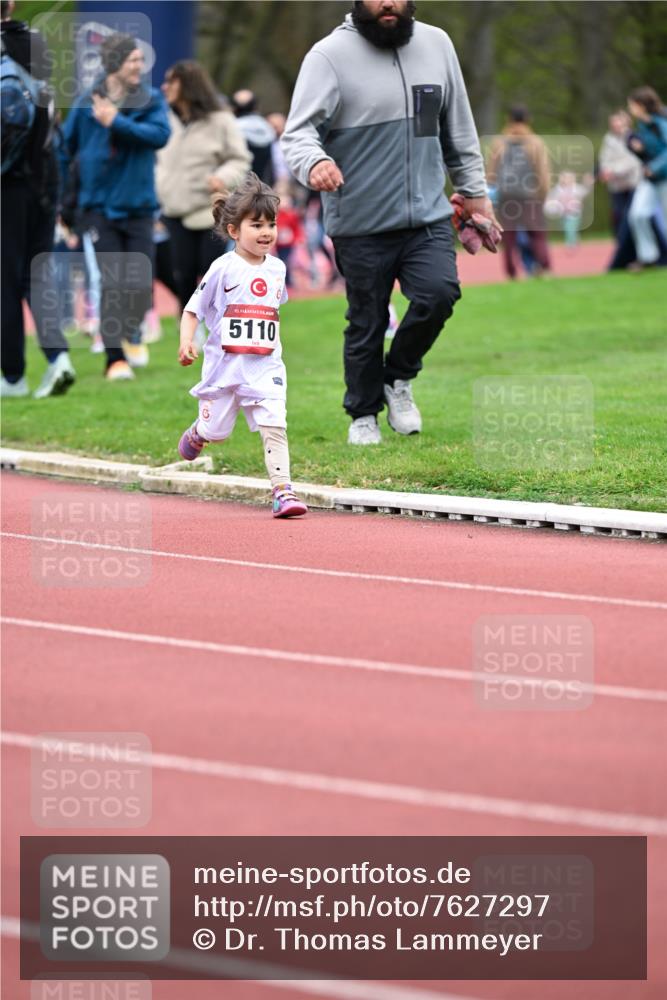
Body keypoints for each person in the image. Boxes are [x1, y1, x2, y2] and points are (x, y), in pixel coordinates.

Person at [281, 0, 497, 445]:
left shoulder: (437, 44)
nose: (388, 3)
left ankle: (396, 378)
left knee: (439, 295)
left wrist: (477, 199)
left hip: (428, 216)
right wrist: (315, 162)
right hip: (360, 222)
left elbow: (459, 131)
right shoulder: (327, 56)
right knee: (367, 320)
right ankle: (362, 414)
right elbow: (297, 134)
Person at [176, 173, 307, 519]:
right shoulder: (222, 268)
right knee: (217, 433)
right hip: (224, 369)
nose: (267, 232)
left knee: (274, 425)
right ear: (234, 231)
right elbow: (193, 309)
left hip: (265, 368)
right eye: (257, 225)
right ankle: (200, 431)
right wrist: (187, 341)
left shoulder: (277, 270)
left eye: (272, 224)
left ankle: (283, 491)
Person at [61, 32, 170, 380]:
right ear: (114, 64)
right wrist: (66, 200)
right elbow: (65, 151)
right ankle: (114, 359)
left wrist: (116, 122)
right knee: (110, 282)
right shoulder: (84, 103)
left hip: (138, 206)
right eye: (133, 60)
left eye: (141, 59)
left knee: (139, 284)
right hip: (97, 209)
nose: (140, 66)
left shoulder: (151, 100)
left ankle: (132, 332)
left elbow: (159, 136)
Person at [1, 0, 76, 399]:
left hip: (8, 184)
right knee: (37, 276)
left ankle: (12, 377)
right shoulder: (36, 44)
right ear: (11, 6)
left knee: (5, 282)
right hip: (45, 178)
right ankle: (58, 357)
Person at [157, 60, 251, 310]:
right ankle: (189, 329)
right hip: (174, 209)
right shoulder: (163, 119)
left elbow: (240, 158)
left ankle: (220, 322)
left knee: (210, 271)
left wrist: (223, 176)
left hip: (210, 210)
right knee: (182, 273)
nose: (164, 87)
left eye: (171, 81)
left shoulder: (220, 119)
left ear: (187, 85)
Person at [486, 104, 551, 280]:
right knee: (537, 233)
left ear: (508, 119)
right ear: (528, 119)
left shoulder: (499, 142)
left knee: (508, 236)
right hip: (530, 195)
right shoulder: (535, 142)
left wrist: (488, 194)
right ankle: (543, 268)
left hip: (506, 194)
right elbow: (542, 172)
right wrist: (543, 194)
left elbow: (491, 172)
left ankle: (511, 273)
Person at [626, 86, 667, 269]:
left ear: (641, 105)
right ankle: (648, 257)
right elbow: (649, 150)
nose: (630, 109)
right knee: (637, 215)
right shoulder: (642, 126)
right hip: (650, 180)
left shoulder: (661, 123)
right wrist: (639, 149)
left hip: (664, 177)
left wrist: (654, 167)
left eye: (631, 105)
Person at [598, 110, 643, 237]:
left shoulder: (632, 137)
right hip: (616, 186)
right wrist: (605, 170)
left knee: (633, 215)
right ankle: (621, 245)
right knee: (618, 216)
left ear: (626, 122)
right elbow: (604, 159)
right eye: (613, 122)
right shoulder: (608, 139)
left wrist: (613, 171)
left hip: (633, 183)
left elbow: (633, 161)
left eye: (618, 121)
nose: (615, 125)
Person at [230, 89, 276, 184]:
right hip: (264, 186)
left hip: (238, 187)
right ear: (256, 107)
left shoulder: (232, 128)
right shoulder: (267, 127)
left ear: (234, 108)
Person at [544, 170, 594, 249]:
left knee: (569, 228)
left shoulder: (576, 188)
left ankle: (570, 244)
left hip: (574, 213)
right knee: (566, 228)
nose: (566, 180)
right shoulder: (558, 189)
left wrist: (588, 183)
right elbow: (551, 196)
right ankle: (575, 238)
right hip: (563, 214)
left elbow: (585, 191)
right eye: (565, 178)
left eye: (569, 178)